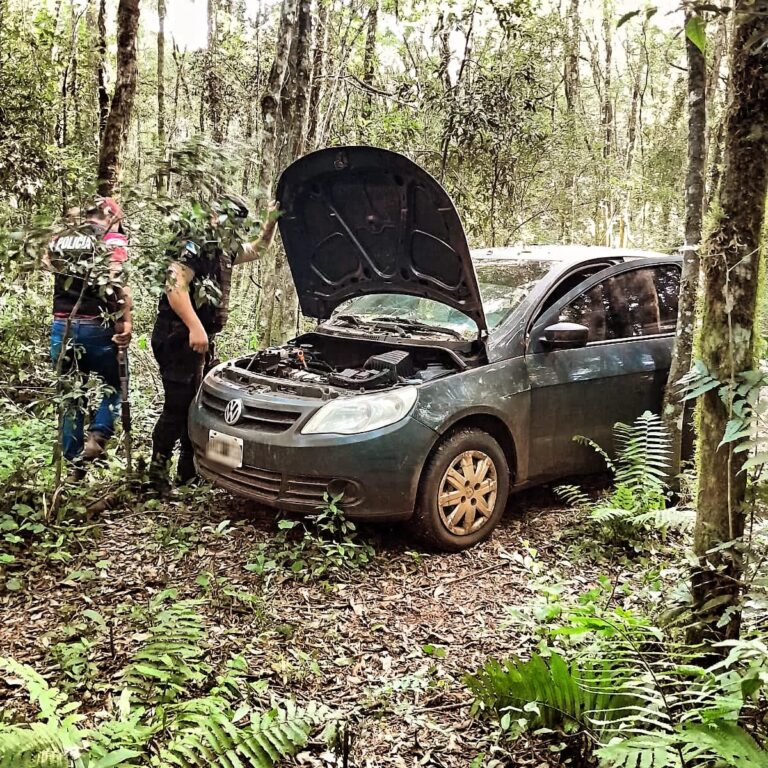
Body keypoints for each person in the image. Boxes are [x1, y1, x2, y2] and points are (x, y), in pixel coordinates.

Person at [149, 194, 278, 488]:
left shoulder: (225, 248)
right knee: (178, 406)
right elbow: (175, 283)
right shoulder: (194, 242)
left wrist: (271, 222)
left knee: (198, 403)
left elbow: (259, 248)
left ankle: (188, 471)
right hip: (177, 336)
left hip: (201, 340)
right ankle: (156, 475)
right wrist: (195, 327)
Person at [47, 198, 133, 476]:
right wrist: (124, 322)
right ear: (109, 215)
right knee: (115, 381)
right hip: (97, 325)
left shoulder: (61, 238)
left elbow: (47, 263)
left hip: (63, 326)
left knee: (71, 397)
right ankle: (98, 436)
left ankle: (74, 468)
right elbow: (117, 281)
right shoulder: (112, 240)